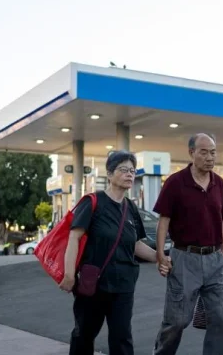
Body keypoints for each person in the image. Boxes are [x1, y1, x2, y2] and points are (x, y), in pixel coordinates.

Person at [60, 150, 167, 355]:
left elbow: (134, 244)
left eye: (132, 170)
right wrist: (69, 274)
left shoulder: (131, 208)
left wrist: (159, 257)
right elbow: (74, 238)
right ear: (109, 174)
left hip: (124, 285)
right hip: (93, 284)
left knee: (122, 338)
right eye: (123, 169)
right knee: (84, 334)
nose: (129, 174)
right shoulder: (92, 202)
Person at [152, 133, 223, 355]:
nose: (210, 157)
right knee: (177, 321)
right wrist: (161, 254)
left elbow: (222, 222)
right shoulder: (175, 183)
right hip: (184, 259)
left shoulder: (219, 184)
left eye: (213, 152)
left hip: (215, 259)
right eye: (204, 152)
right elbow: (163, 221)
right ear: (191, 153)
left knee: (221, 319)